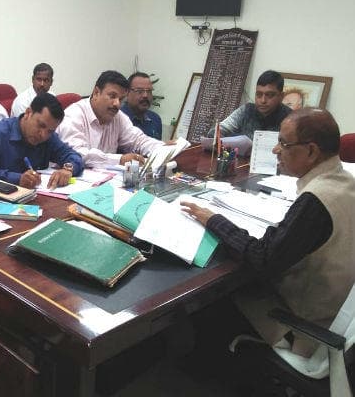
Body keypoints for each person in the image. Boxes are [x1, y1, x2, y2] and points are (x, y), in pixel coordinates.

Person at [183, 108, 355, 358]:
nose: (275, 150)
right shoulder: (345, 181)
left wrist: (214, 220)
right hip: (335, 312)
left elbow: (262, 260)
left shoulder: (316, 200)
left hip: (305, 327)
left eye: (283, 144)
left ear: (311, 151)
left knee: (208, 298)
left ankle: (205, 364)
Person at [0, 93, 83, 189]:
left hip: (39, 198)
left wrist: (68, 169)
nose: (43, 135)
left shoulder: (49, 137)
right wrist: (17, 178)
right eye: (41, 125)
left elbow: (73, 156)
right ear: (28, 113)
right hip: (1, 201)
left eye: (50, 131)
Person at [56, 70, 163, 168]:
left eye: (121, 99)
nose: (117, 104)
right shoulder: (74, 114)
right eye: (112, 96)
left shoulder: (118, 116)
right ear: (96, 93)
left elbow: (139, 140)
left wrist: (165, 150)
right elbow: (76, 154)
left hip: (104, 179)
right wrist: (119, 160)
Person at [208, 70, 292, 139]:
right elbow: (215, 132)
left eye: (269, 95)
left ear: (281, 96)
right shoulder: (246, 110)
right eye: (259, 94)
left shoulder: (291, 118)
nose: (263, 100)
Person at [120, 72, 163, 140]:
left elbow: (158, 145)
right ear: (127, 92)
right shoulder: (117, 119)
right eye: (139, 91)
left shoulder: (155, 119)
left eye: (149, 91)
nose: (145, 95)